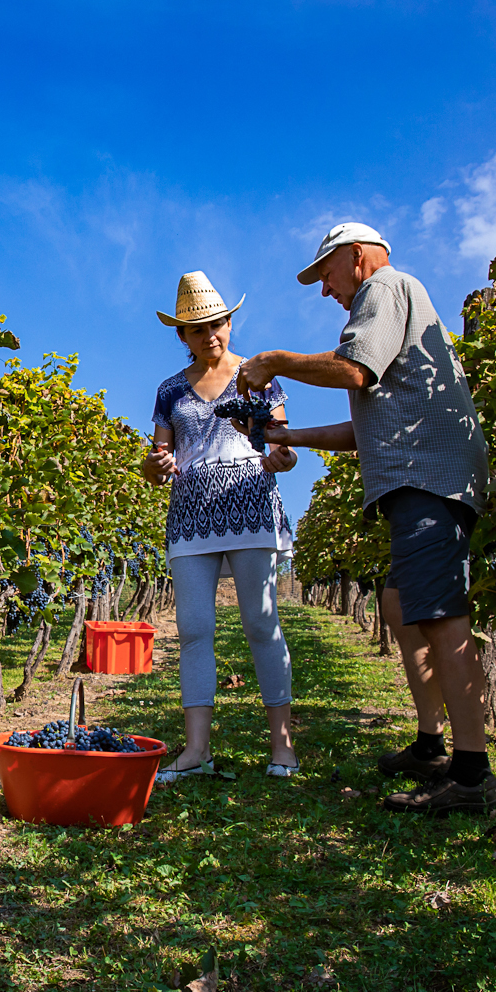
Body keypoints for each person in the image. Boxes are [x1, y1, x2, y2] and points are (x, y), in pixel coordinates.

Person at [237, 222, 496, 816]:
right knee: (400, 606)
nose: (325, 290)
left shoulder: (386, 288)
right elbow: (367, 428)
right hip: (418, 476)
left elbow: (354, 370)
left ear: (356, 257)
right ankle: (433, 745)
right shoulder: (397, 307)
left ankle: (471, 776)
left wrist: (274, 361)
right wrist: (287, 435)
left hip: (427, 479)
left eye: (325, 275)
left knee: (441, 618)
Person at [143, 271, 300, 784]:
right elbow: (157, 457)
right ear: (182, 337)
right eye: (198, 329)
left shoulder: (257, 378)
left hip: (250, 503)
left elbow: (281, 443)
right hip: (190, 513)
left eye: (219, 323)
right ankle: (196, 750)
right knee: (194, 631)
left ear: (230, 322)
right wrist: (155, 466)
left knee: (261, 623)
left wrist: (282, 457)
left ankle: (283, 746)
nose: (211, 334)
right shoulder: (169, 389)